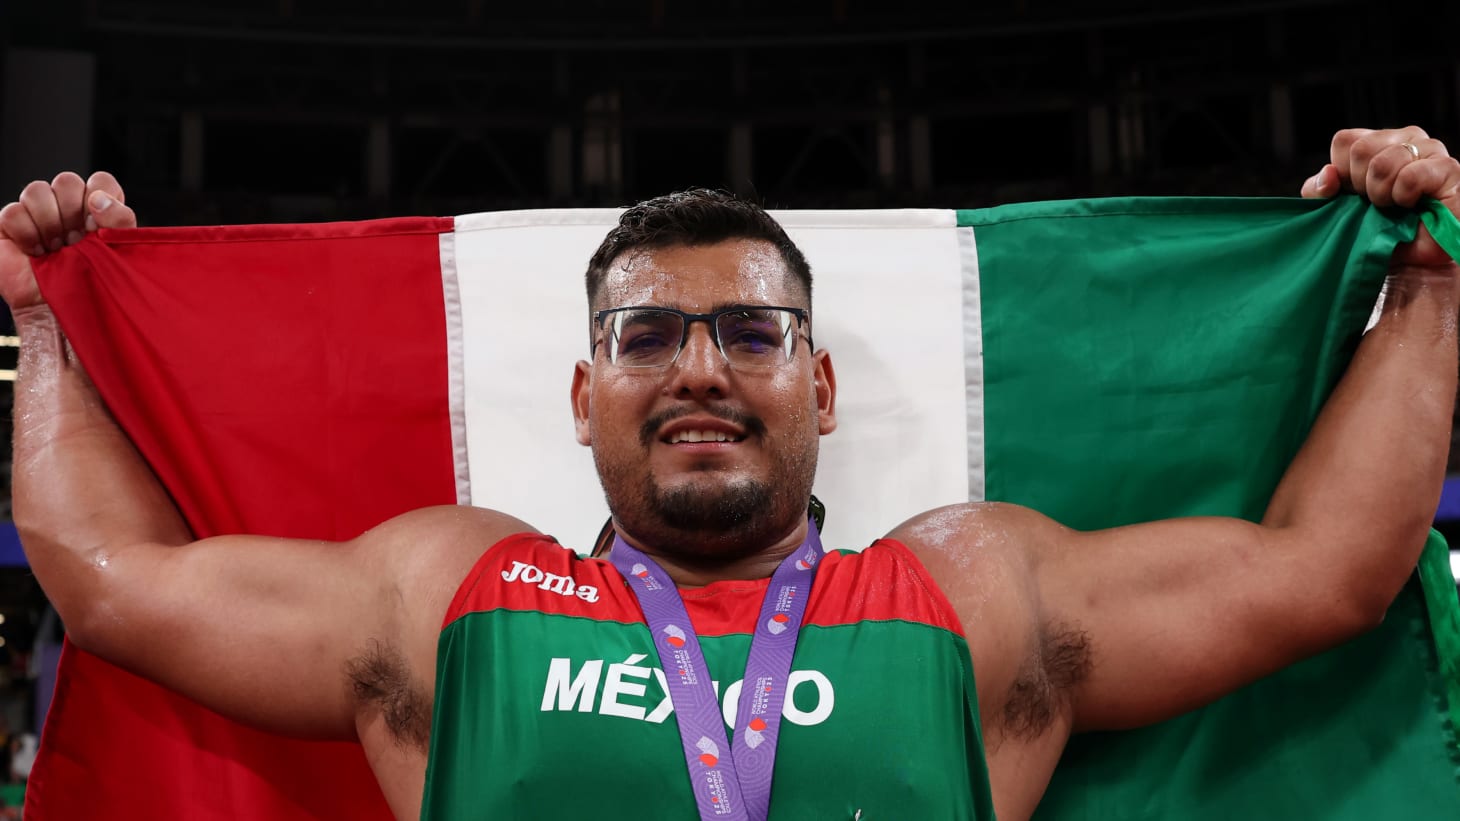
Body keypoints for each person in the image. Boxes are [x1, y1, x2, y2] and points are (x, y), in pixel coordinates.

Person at [1, 126, 1456, 821]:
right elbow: (115, 584)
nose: (700, 365)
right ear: (586, 398)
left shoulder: (971, 595)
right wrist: (53, 326)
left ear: (816, 386)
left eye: (752, 332)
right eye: (647, 336)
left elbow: (1326, 568)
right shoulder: (452, 597)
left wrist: (1429, 274)